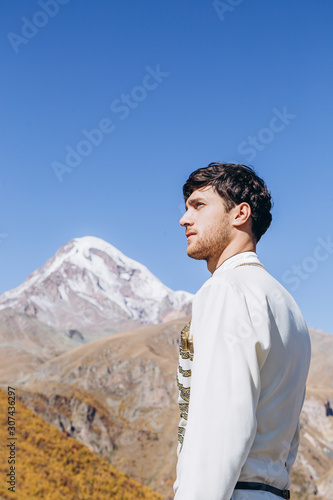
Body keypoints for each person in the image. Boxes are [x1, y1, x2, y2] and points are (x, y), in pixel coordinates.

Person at [174, 163, 311, 500]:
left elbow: (219, 426)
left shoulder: (226, 289)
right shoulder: (288, 306)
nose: (184, 219)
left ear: (240, 213)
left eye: (199, 205)